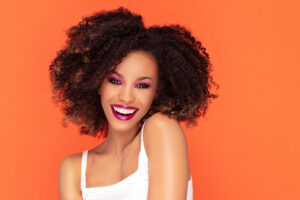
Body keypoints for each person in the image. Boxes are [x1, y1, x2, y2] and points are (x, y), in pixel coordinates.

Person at [50, 6, 218, 200]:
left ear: (156, 92)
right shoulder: (73, 171)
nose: (126, 97)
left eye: (142, 85)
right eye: (115, 81)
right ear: (98, 83)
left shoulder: (161, 130)